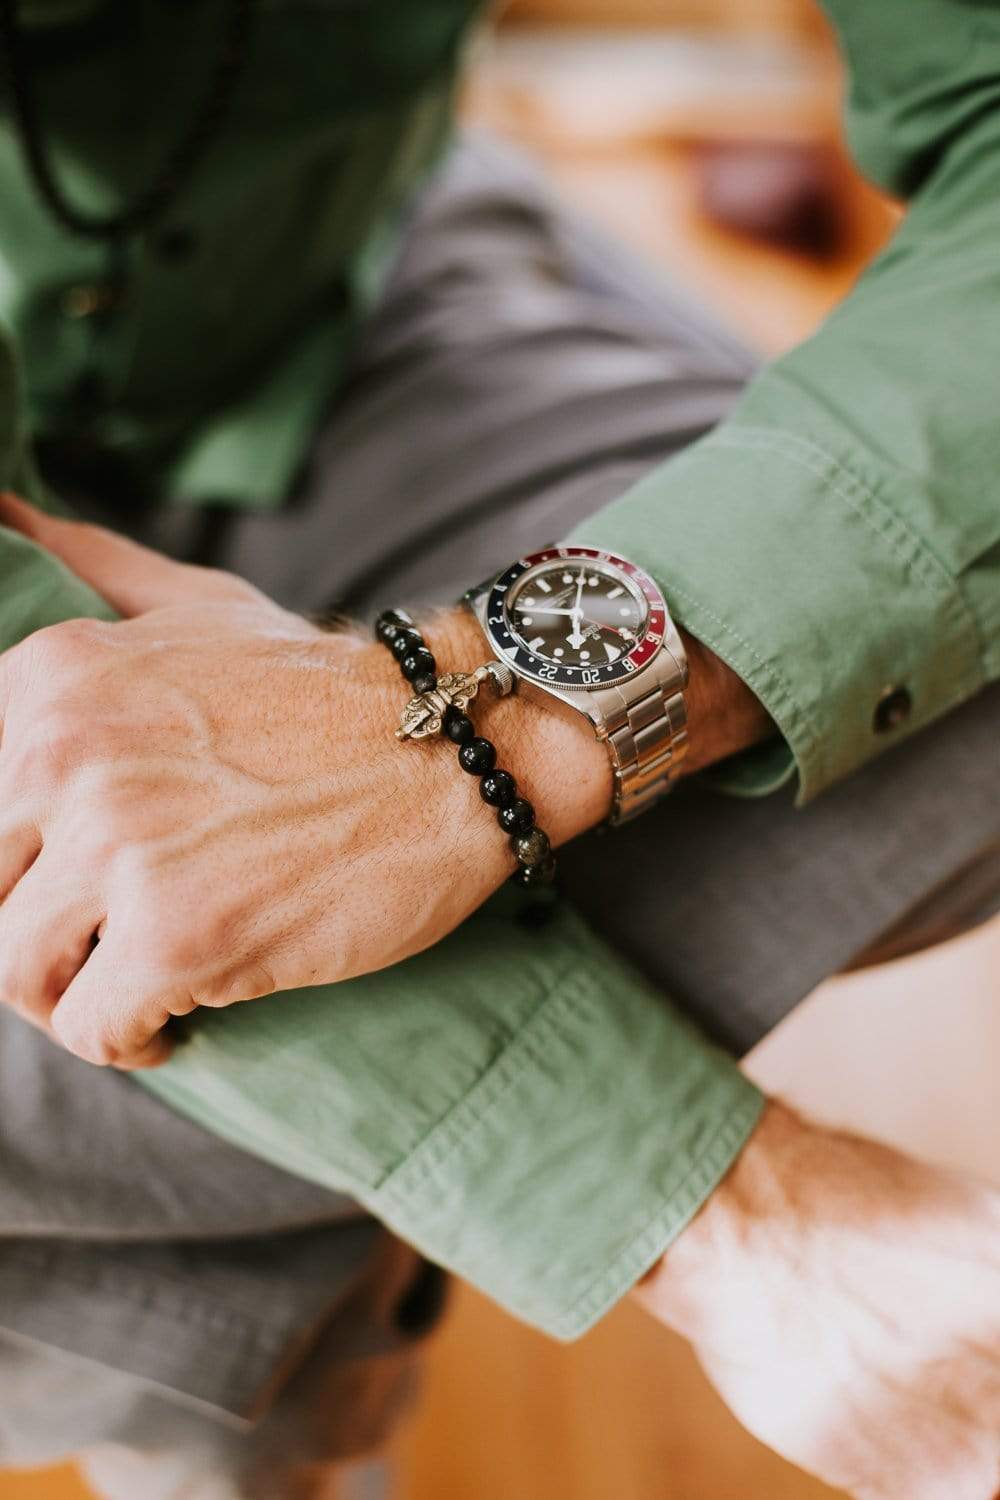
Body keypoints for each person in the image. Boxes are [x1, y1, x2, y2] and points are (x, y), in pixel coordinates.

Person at [0, 3, 997, 1498]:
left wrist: (481, 724)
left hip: (335, 305)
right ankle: (282, 1380)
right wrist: (736, 1217)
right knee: (107, 1016)